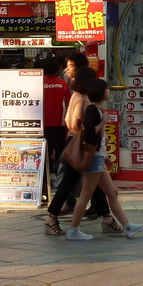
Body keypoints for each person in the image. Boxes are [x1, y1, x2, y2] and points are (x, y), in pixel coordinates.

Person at [66, 76, 143, 241]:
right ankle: (73, 230)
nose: (109, 91)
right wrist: (103, 123)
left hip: (98, 158)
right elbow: (89, 134)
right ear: (100, 92)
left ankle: (128, 226)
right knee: (85, 195)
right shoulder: (93, 110)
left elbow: (93, 135)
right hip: (94, 159)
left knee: (112, 192)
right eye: (107, 89)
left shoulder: (96, 110)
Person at [43, 66, 118, 236]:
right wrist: (94, 131)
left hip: (81, 143)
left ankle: (106, 217)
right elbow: (74, 124)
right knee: (69, 184)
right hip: (79, 145)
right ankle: (52, 219)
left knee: (95, 181)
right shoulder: (81, 99)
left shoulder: (81, 97)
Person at [40, 56, 72, 180]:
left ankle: (44, 180)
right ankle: (60, 179)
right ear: (58, 68)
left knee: (45, 153)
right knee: (60, 153)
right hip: (60, 124)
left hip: (43, 124)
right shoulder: (63, 84)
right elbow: (69, 104)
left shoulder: (40, 83)